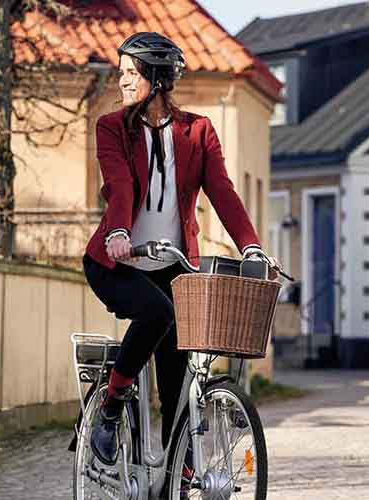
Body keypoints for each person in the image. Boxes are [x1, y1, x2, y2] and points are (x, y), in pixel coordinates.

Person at [82, 31, 267, 466]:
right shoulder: (111, 127)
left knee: (178, 384)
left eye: (132, 73)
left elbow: (222, 192)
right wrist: (119, 233)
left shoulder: (197, 131)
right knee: (156, 313)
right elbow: (121, 185)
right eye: (122, 73)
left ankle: (180, 482)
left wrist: (252, 247)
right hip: (116, 261)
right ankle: (111, 406)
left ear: (157, 79)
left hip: (173, 267)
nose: (123, 82)